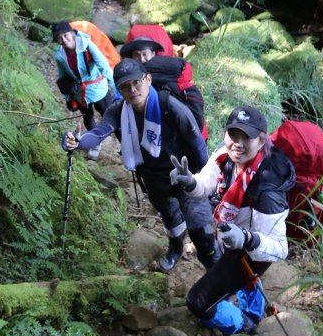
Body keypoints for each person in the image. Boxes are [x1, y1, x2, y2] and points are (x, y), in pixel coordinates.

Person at [62, 58, 220, 273]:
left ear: (148, 79)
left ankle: (219, 279)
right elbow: (99, 133)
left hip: (187, 176)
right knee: (170, 217)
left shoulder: (170, 106)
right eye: (125, 86)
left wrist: (206, 184)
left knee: (203, 237)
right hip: (153, 178)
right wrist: (78, 142)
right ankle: (176, 248)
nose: (132, 89)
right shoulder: (118, 111)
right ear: (119, 89)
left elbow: (197, 143)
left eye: (136, 82)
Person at [169, 105, 295, 335]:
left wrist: (247, 239)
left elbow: (279, 249)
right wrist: (190, 182)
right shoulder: (224, 156)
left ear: (261, 141)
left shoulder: (268, 188)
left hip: (253, 249)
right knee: (245, 278)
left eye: (247, 137)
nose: (238, 142)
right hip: (232, 236)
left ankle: (243, 324)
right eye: (233, 134)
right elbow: (207, 183)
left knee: (197, 302)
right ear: (225, 134)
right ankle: (254, 311)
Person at [52, 21, 117, 134]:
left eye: (65, 35)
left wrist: (117, 88)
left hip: (98, 89)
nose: (64, 39)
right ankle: (95, 141)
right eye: (59, 38)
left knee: (110, 116)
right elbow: (62, 78)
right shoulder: (60, 56)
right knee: (88, 118)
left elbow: (104, 66)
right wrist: (68, 98)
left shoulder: (87, 45)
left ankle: (125, 143)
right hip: (80, 94)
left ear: (72, 33)